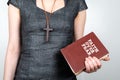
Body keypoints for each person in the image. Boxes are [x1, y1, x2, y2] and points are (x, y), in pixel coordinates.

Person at [4, 0, 110, 80]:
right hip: (25, 76)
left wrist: (88, 66)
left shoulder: (77, 3)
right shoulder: (19, 2)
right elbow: (13, 48)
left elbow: (78, 50)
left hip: (64, 77)